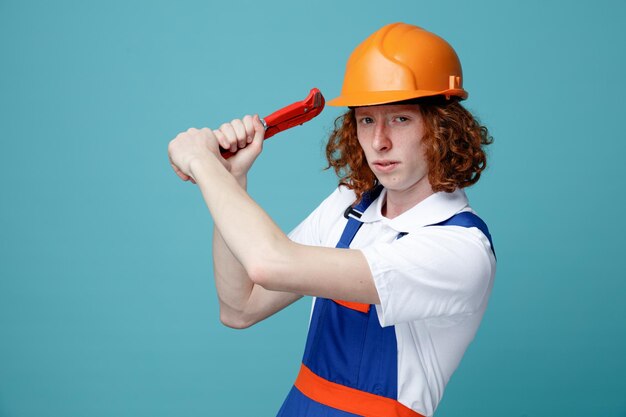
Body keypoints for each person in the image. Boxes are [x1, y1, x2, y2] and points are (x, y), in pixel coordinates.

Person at [168, 22, 495, 417]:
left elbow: (269, 263)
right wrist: (233, 178)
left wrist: (205, 165)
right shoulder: (349, 205)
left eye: (400, 119)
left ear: (443, 128)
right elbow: (239, 308)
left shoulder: (459, 250)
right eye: (367, 120)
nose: (379, 142)